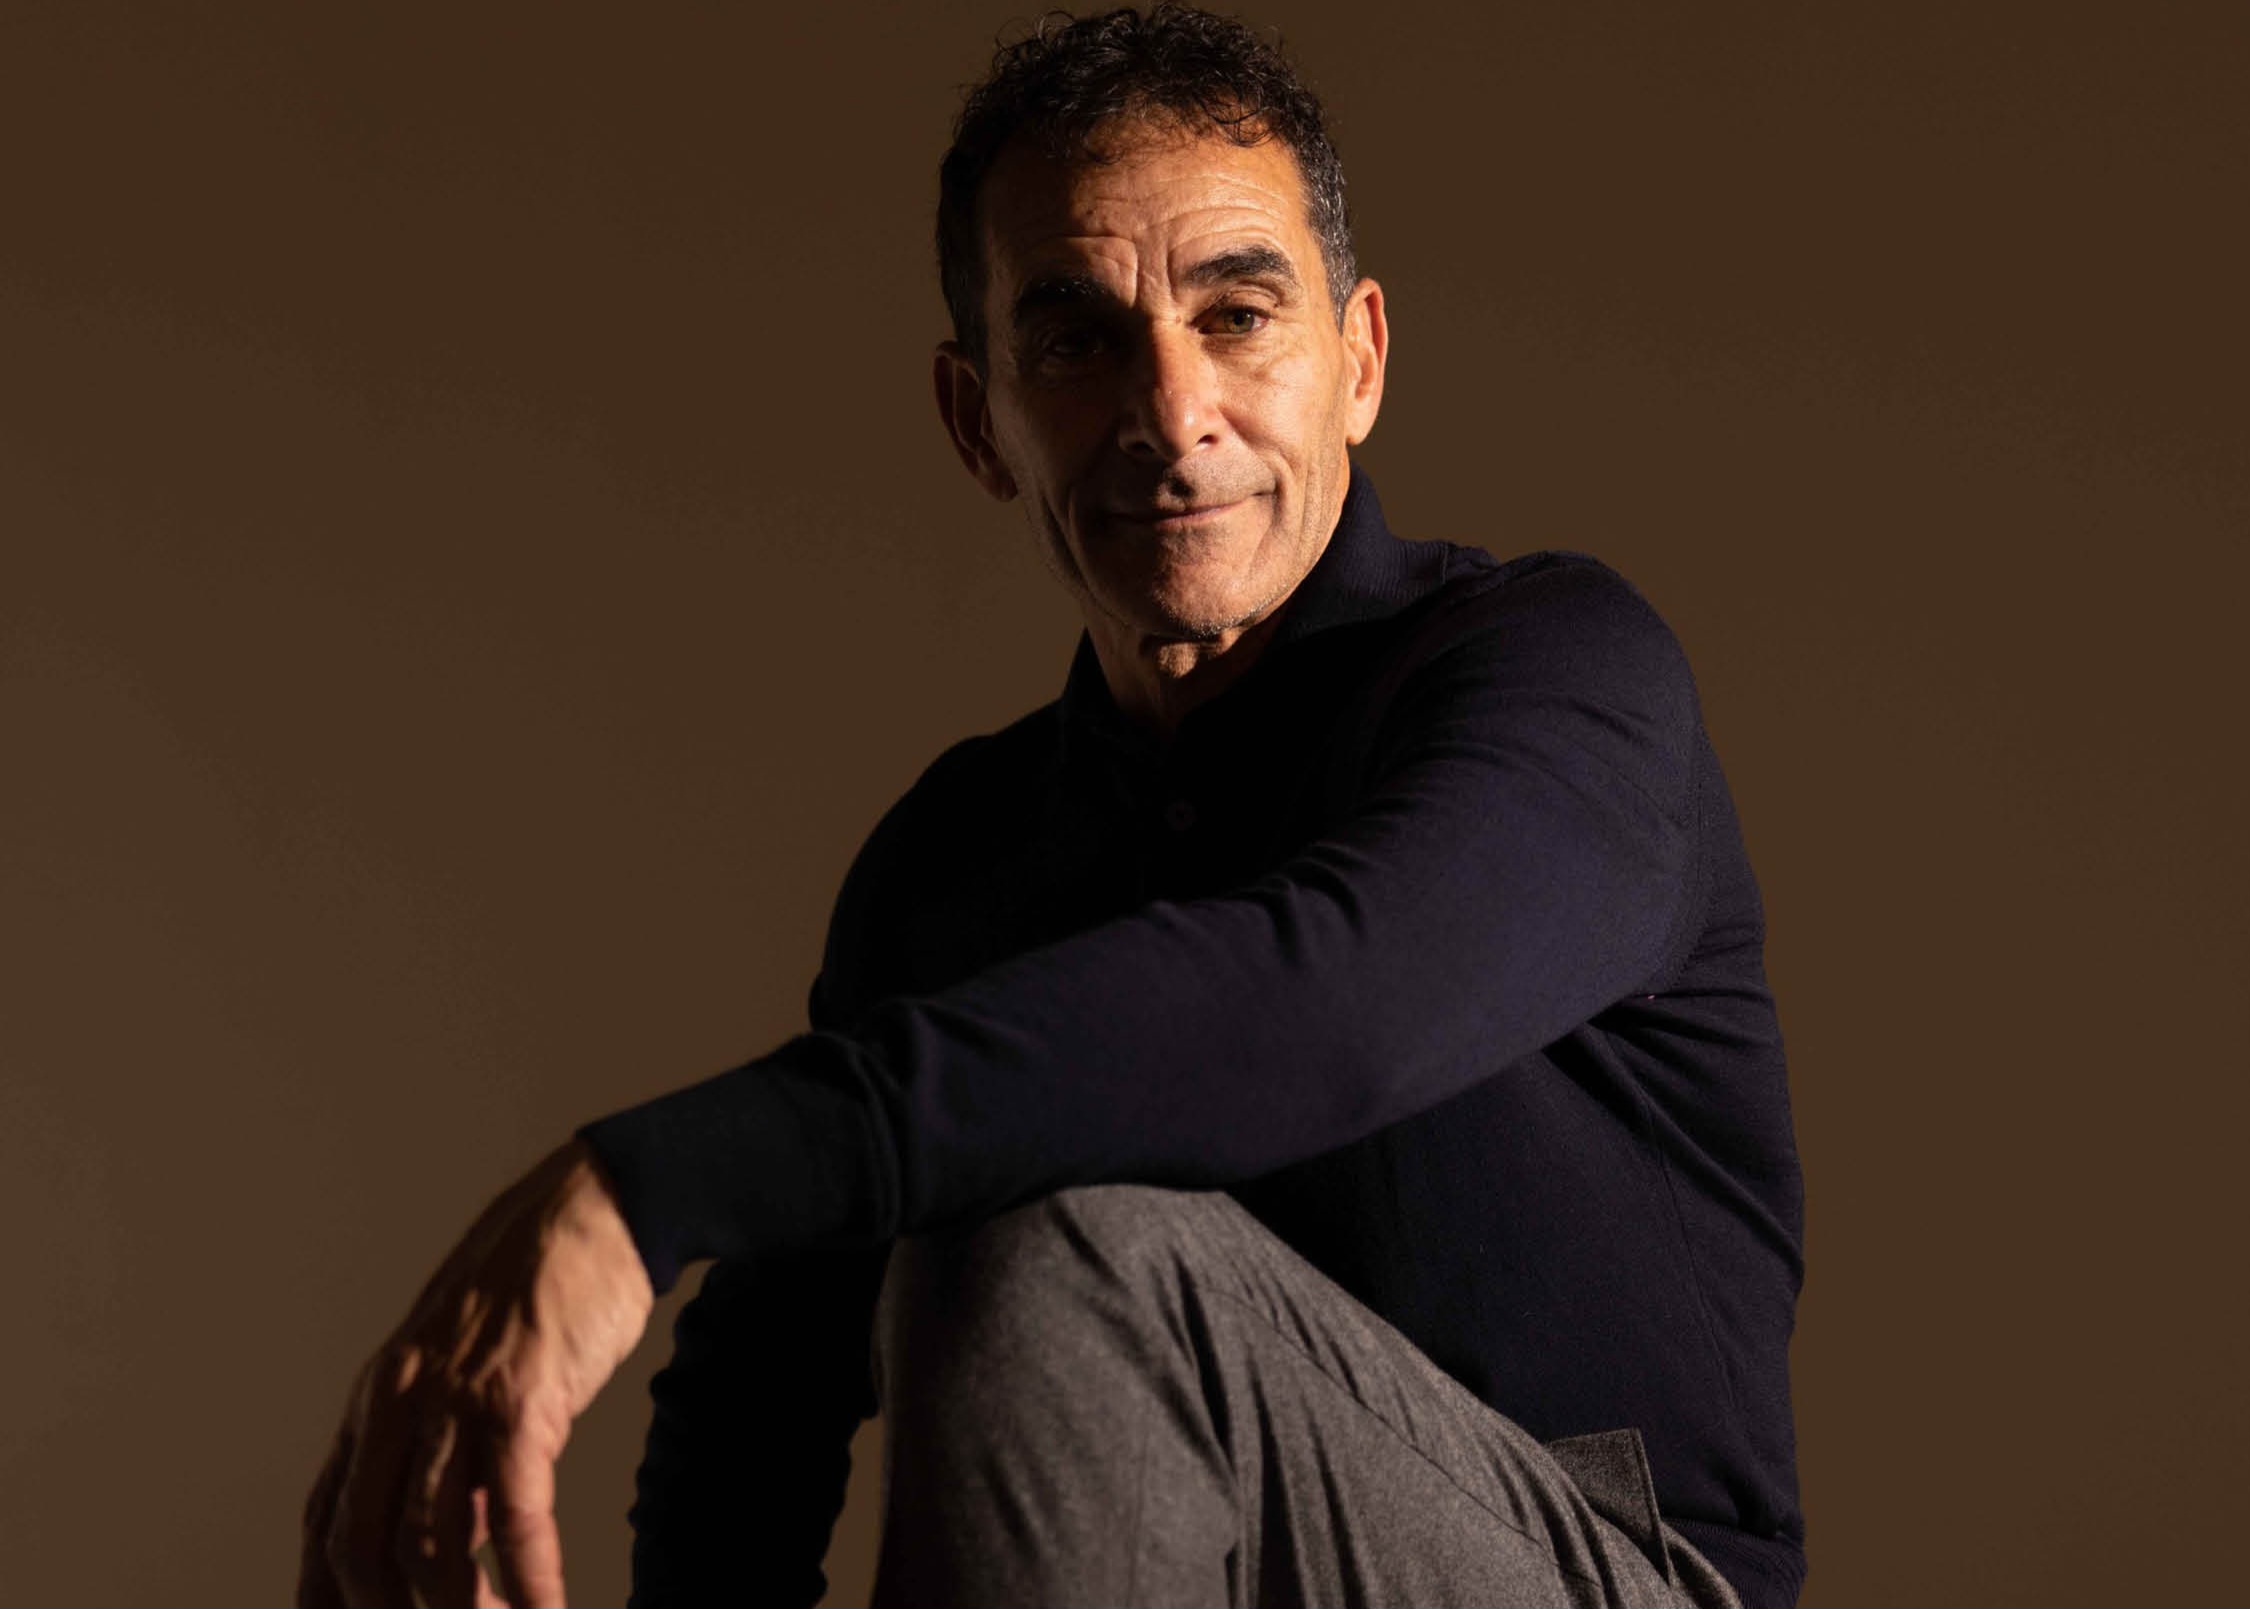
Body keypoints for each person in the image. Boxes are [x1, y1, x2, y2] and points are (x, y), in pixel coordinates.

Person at [296, 6, 1806, 1607]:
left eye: (1238, 315)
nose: (1170, 408)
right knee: (996, 1228)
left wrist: (637, 1188)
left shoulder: (1559, 679)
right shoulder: (954, 855)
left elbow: (1321, 1006)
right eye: (1079, 341)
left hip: (1602, 1574)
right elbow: (758, 1403)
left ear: (1358, 361)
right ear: (978, 423)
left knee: (1059, 1232)